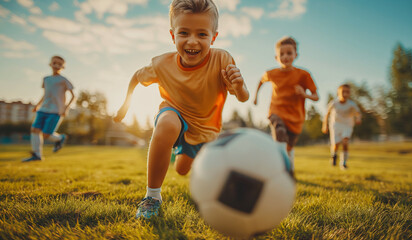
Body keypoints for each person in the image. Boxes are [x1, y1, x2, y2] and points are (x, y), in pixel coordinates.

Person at [114, 0, 249, 219]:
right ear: (173, 35)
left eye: (202, 35)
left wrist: (239, 86)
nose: (192, 41)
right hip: (174, 111)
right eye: (184, 32)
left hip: (205, 128)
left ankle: (182, 152)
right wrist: (125, 105)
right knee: (167, 123)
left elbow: (243, 98)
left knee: (182, 169)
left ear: (213, 37)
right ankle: (152, 197)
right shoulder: (161, 64)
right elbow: (136, 77)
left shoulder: (222, 59)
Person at [253, 36, 319, 174]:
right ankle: (280, 167)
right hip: (276, 111)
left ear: (296, 55)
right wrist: (255, 97)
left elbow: (316, 96)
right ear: (276, 57)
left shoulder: (303, 75)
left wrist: (304, 94)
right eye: (281, 54)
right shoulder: (271, 73)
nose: (285, 57)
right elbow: (261, 80)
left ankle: (289, 165)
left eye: (289, 53)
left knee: (288, 147)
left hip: (296, 117)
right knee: (279, 131)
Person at [22, 55, 75, 162]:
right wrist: (37, 105)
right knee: (34, 130)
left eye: (59, 64)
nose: (56, 65)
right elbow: (45, 94)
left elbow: (73, 96)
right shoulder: (46, 79)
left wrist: (66, 108)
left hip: (56, 110)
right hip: (43, 109)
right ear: (50, 64)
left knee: (46, 134)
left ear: (63, 67)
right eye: (54, 63)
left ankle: (60, 138)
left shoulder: (63, 80)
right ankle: (37, 155)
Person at [322, 84, 361, 169]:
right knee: (336, 144)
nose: (345, 94)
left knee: (345, 142)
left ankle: (343, 163)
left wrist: (358, 118)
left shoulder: (351, 104)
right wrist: (325, 125)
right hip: (335, 125)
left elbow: (358, 113)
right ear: (338, 92)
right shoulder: (334, 103)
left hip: (347, 125)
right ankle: (334, 156)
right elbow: (327, 114)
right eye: (343, 92)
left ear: (349, 93)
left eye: (347, 92)